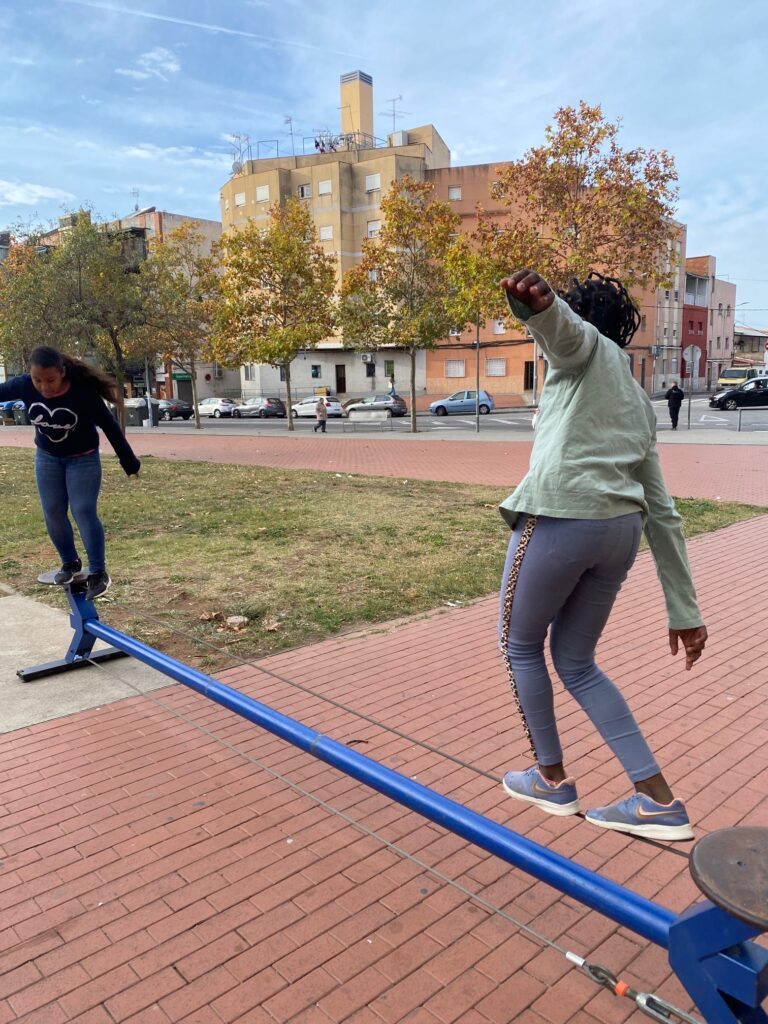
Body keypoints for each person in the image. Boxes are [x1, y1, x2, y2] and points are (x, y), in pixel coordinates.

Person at [497, 269, 707, 842]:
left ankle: (550, 778)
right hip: (620, 534)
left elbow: (566, 334)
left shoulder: (582, 348)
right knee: (577, 663)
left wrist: (543, 309)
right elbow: (663, 511)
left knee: (517, 645)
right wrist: (684, 610)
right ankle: (657, 801)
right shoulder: (638, 400)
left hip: (563, 517)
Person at [0, 345, 140, 601]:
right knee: (52, 511)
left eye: (50, 380)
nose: (44, 387)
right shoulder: (23, 385)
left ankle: (98, 572)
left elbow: (109, 426)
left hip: (83, 459)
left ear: (62, 372)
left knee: (83, 509)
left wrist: (129, 462)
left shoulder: (82, 392)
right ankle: (70, 562)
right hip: (47, 458)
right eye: (37, 380)